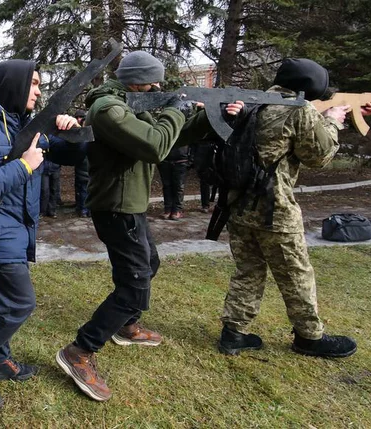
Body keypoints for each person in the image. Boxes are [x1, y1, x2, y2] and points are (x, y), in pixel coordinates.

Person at [55, 51, 244, 402]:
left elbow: (173, 135)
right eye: (153, 80)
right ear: (135, 79)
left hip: (131, 203)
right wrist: (177, 108)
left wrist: (210, 116)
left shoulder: (127, 103)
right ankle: (79, 350)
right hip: (116, 206)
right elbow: (156, 145)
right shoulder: (109, 109)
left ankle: (125, 326)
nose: (158, 86)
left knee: (147, 266)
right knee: (135, 283)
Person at [216, 58, 371, 358]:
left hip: (239, 206)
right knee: (297, 274)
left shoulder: (256, 102)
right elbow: (319, 155)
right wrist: (332, 120)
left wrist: (337, 111)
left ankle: (233, 333)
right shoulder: (299, 110)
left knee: (248, 271)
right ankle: (309, 337)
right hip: (274, 210)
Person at [0, 59, 80, 410]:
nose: (39, 92)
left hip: (17, 228)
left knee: (7, 301)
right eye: (35, 84)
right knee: (19, 303)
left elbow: (75, 155)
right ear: (14, 85)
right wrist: (25, 164)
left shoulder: (26, 125)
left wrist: (68, 129)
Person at [157, 143, 188, 219]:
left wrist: (191, 160)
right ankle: (167, 210)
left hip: (181, 160)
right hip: (165, 159)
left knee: (179, 186)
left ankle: (176, 210)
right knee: (167, 186)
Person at [73, 109, 90, 217]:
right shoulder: (84, 135)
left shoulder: (84, 136)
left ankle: (84, 209)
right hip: (83, 168)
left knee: (84, 190)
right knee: (83, 189)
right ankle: (83, 208)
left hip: (85, 168)